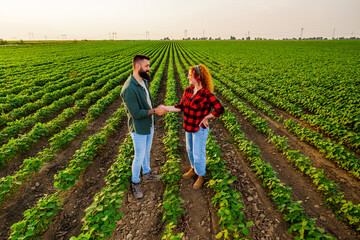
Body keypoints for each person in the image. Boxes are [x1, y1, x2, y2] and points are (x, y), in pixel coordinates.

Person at [161, 64, 225, 189]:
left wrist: (207, 117)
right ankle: (193, 169)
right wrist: (165, 108)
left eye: (190, 75)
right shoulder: (188, 90)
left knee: (198, 153)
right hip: (188, 126)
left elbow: (220, 109)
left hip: (199, 129)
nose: (188, 77)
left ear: (198, 77)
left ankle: (201, 175)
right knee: (189, 149)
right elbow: (180, 107)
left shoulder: (206, 94)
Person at [120, 54, 166, 199]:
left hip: (148, 124)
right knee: (139, 154)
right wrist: (154, 111)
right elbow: (135, 113)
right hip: (139, 128)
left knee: (147, 151)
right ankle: (135, 182)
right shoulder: (128, 89)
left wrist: (153, 113)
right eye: (147, 66)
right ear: (138, 67)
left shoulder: (143, 82)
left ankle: (146, 173)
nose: (149, 69)